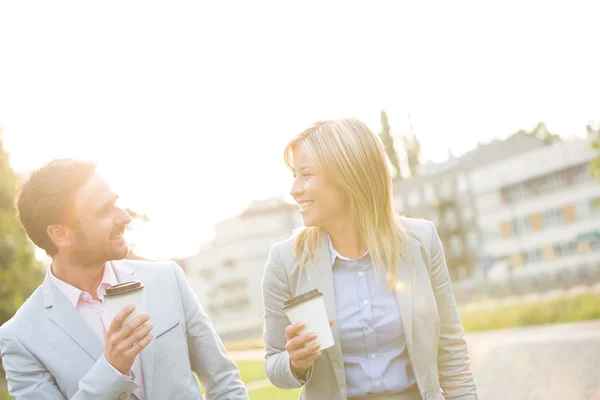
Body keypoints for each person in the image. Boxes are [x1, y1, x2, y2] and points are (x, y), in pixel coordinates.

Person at [261, 118, 477, 400]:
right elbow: (273, 361)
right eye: (294, 175)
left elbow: (452, 350)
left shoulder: (421, 242)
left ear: (348, 175)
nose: (294, 189)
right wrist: (294, 363)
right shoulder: (285, 261)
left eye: (306, 174)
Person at [0, 159, 248, 400]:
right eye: (103, 211)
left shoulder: (168, 280)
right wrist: (111, 370)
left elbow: (224, 381)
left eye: (115, 204)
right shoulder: (20, 338)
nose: (124, 218)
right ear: (61, 234)